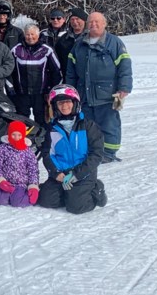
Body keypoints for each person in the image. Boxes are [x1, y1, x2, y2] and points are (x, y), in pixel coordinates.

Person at [65, 12, 132, 163]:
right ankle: (93, 151)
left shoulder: (114, 42)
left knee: (109, 123)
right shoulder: (80, 44)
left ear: (104, 24)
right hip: (85, 94)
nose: (93, 24)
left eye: (97, 22)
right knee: (89, 125)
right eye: (90, 22)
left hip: (107, 94)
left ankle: (108, 152)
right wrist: (70, 91)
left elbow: (125, 67)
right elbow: (71, 70)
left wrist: (124, 87)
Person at [38, 84, 108, 213]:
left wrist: (76, 174)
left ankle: (96, 187)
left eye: (67, 102)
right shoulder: (52, 129)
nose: (64, 106)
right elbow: (47, 154)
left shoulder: (88, 126)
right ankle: (69, 193)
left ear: (75, 102)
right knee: (46, 200)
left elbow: (97, 154)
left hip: (83, 172)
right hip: (61, 173)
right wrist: (56, 173)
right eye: (60, 103)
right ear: (55, 106)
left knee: (76, 207)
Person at [10, 24, 62, 122]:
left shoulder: (47, 50)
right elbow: (9, 70)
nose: (30, 37)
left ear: (38, 35)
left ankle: (42, 137)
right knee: (21, 122)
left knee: (42, 121)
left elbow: (56, 71)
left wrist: (51, 91)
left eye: (33, 34)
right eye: (28, 34)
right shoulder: (16, 50)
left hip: (41, 94)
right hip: (22, 93)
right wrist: (12, 89)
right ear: (24, 35)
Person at [0, 120, 40, 207]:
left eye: (19, 135)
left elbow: (33, 169)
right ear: (9, 134)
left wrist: (33, 186)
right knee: (0, 201)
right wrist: (0, 180)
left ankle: (25, 195)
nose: (16, 138)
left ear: (23, 135)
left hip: (20, 184)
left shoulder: (27, 151)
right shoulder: (2, 148)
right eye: (13, 135)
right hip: (5, 182)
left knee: (18, 203)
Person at [55, 8, 87, 80]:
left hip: (86, 80)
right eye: (72, 19)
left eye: (77, 19)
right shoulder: (63, 39)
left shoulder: (91, 37)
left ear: (83, 19)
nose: (75, 22)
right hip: (68, 79)